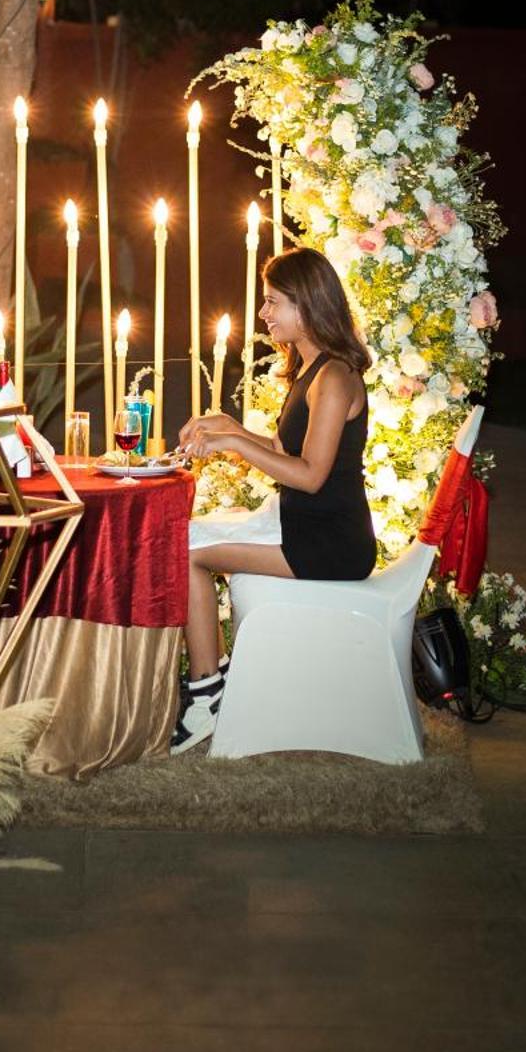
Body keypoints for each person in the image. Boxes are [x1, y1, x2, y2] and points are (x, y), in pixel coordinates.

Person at [170, 247, 376, 753]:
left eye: (272, 302)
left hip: (329, 543)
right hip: (303, 526)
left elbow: (310, 477)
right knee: (188, 537)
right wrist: (230, 427)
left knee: (187, 552)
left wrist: (236, 443)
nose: (263, 314)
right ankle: (213, 682)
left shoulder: (334, 377)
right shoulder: (312, 367)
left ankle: (207, 695)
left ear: (307, 304)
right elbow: (287, 451)